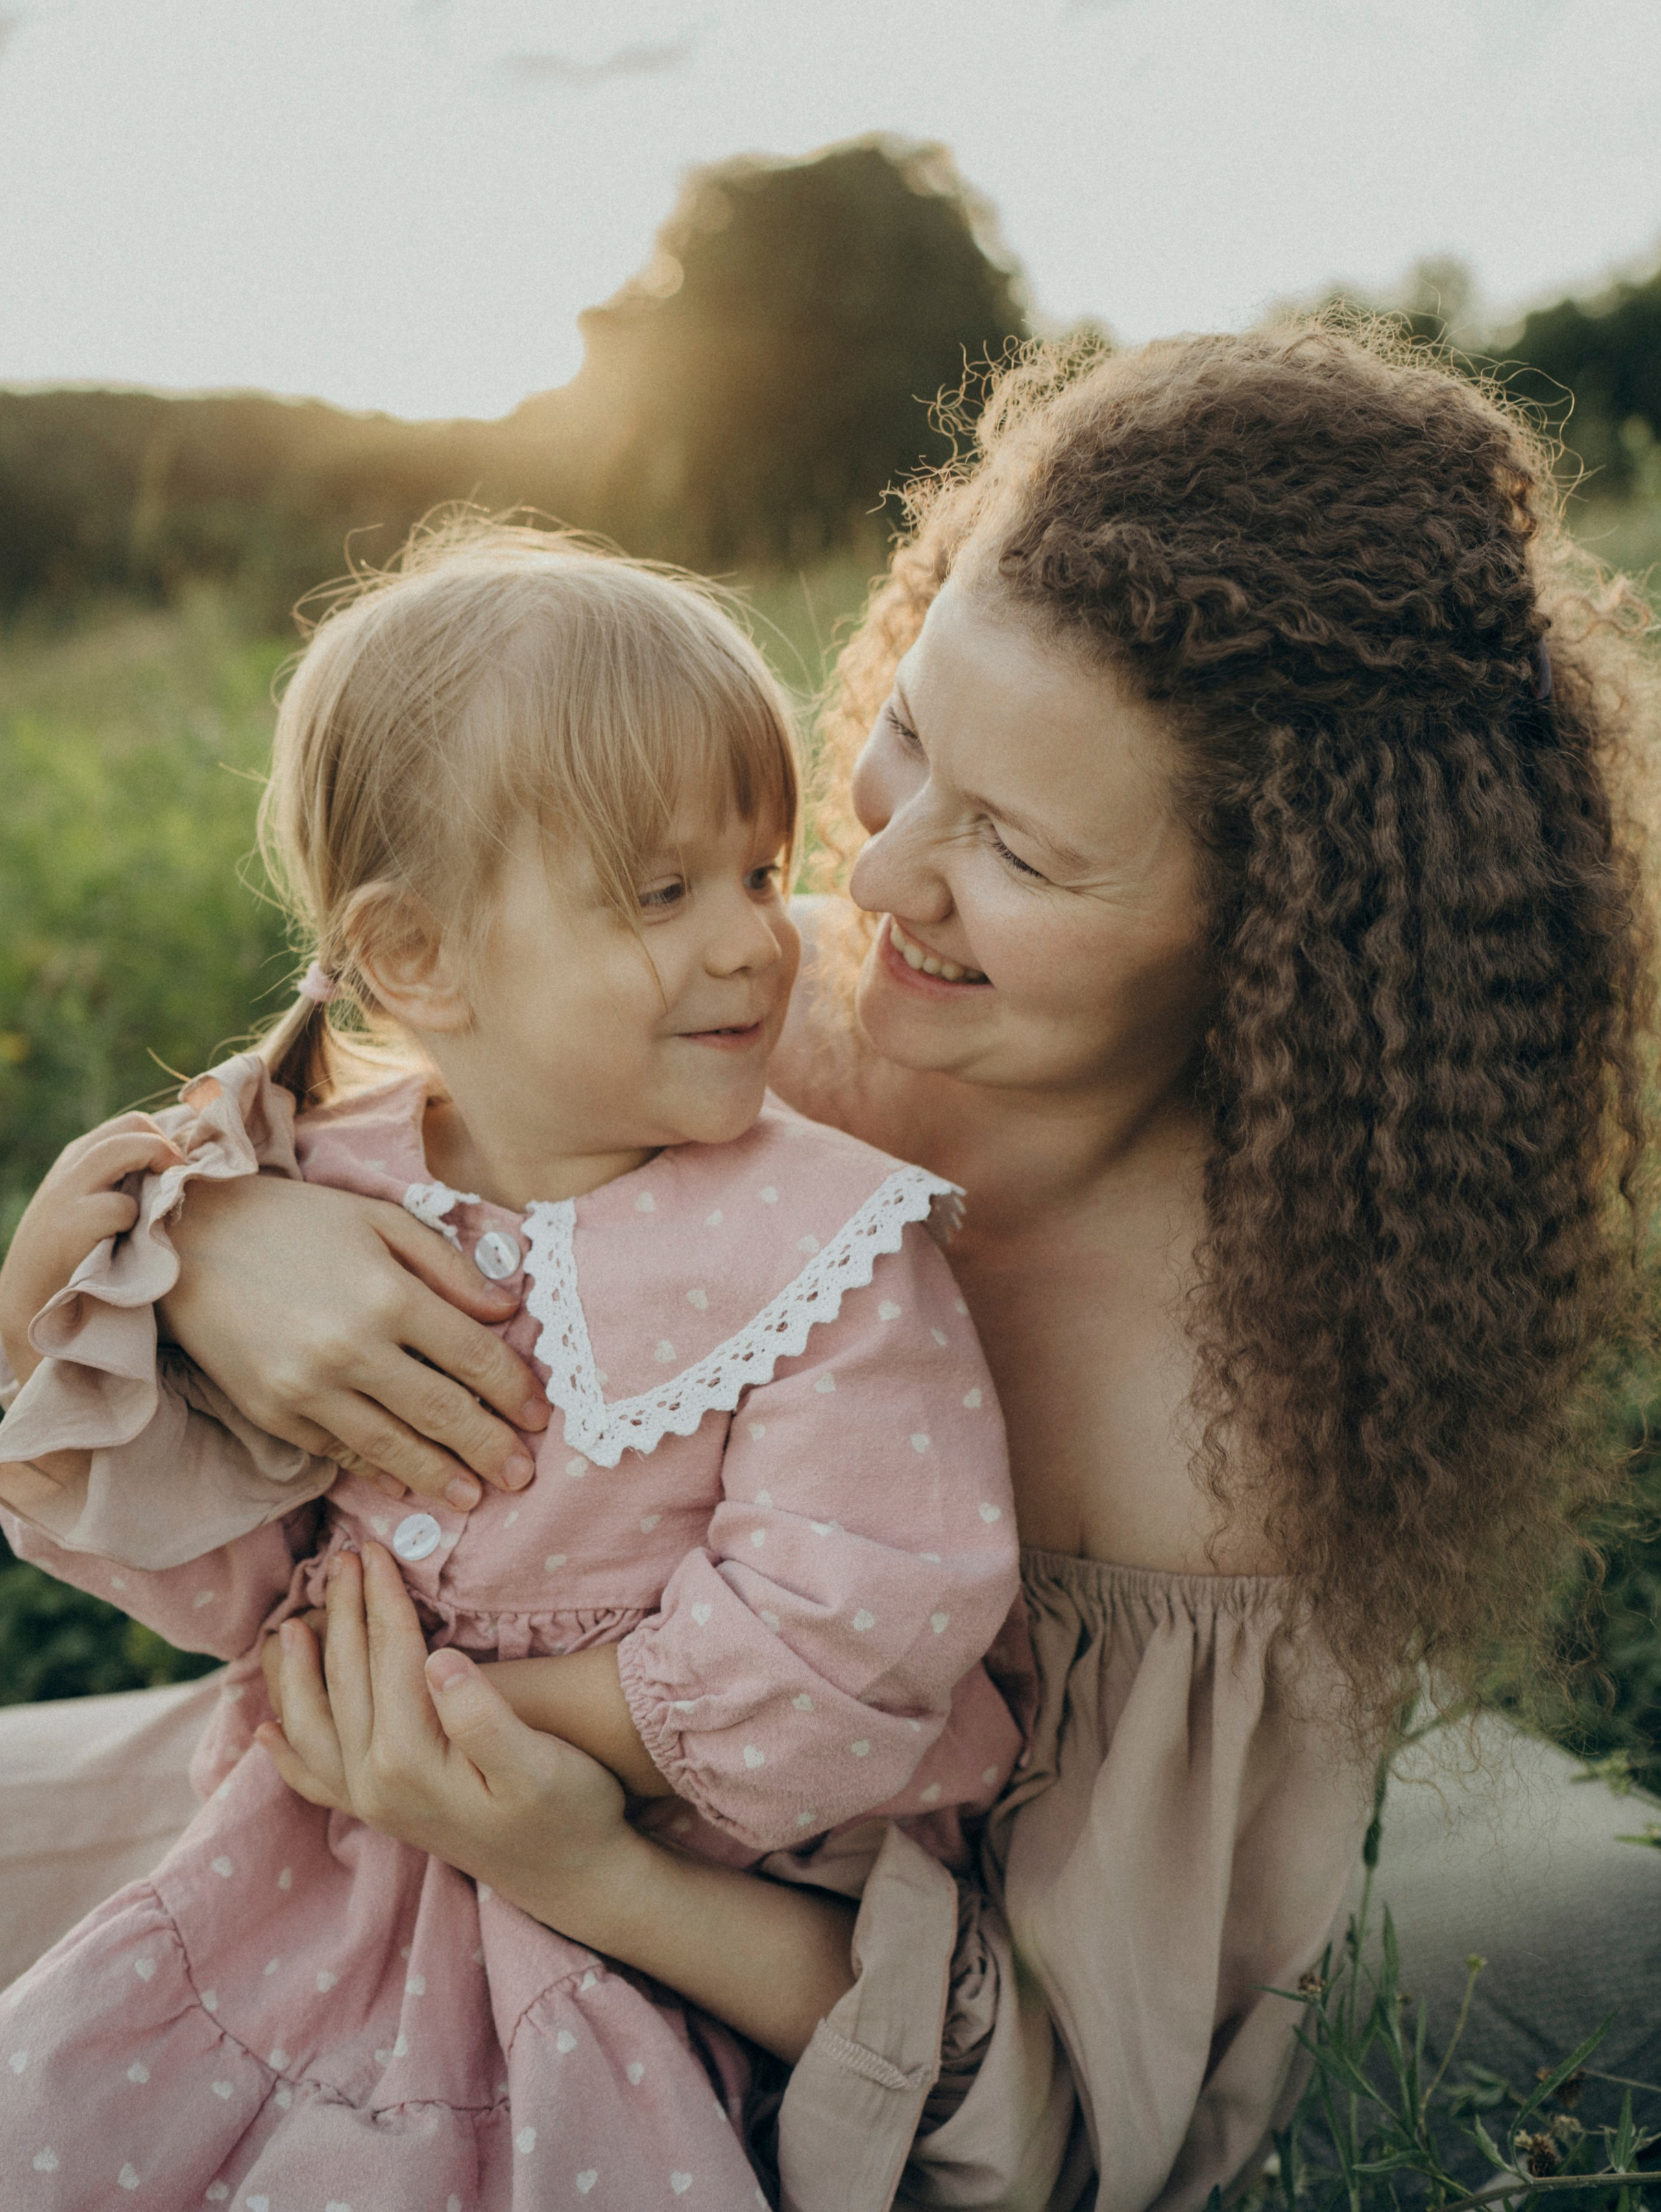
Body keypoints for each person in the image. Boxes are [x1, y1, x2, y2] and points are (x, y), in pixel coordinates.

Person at [5, 322, 1661, 2211]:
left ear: (1283, 935)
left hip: (666, 1989)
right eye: (907, 745)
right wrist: (213, 1240)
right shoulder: (740, 1014)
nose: (866, 893)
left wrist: (589, 1865)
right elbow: (395, 1022)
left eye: (1021, 852)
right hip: (308, 1825)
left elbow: (1051, 2114)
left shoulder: (1223, 1434)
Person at [0, 530, 1026, 2208]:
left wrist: (434, 1720)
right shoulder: (322, 1185)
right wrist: (65, 1279)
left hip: (645, 1899)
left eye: (762, 873)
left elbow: (854, 1623)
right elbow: (227, 1569)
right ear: (415, 959)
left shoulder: (826, 1240)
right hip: (322, 1863)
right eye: (658, 891)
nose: (757, 943)